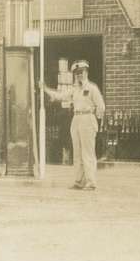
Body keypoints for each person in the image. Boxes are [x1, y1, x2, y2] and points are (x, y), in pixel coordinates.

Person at [44, 60, 105, 190]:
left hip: (87, 118)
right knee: (77, 153)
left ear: (86, 72)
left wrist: (96, 121)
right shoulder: (74, 90)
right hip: (76, 119)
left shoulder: (92, 88)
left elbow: (101, 106)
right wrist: (45, 89)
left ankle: (91, 182)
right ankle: (79, 181)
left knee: (87, 153)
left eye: (81, 72)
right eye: (76, 73)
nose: (79, 75)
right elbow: (60, 96)